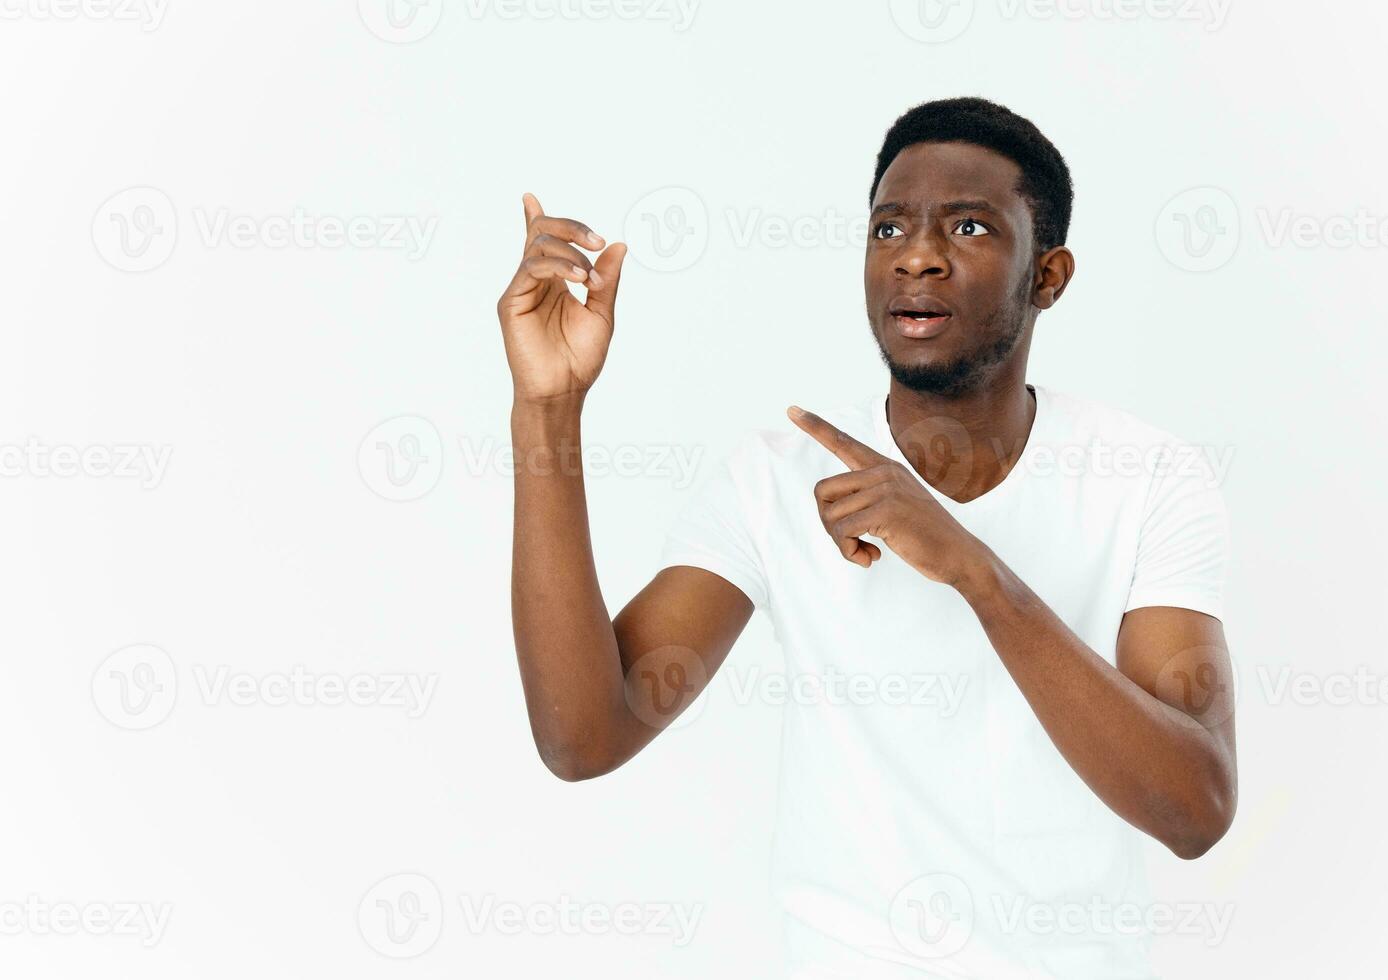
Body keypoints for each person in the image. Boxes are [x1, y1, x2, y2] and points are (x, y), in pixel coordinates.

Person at [498, 96, 1237, 977]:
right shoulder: (773, 476)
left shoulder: (1148, 476)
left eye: (968, 227)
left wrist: (972, 568)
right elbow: (583, 738)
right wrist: (549, 408)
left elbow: (1196, 808)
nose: (917, 257)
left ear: (1049, 277)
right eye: (888, 230)